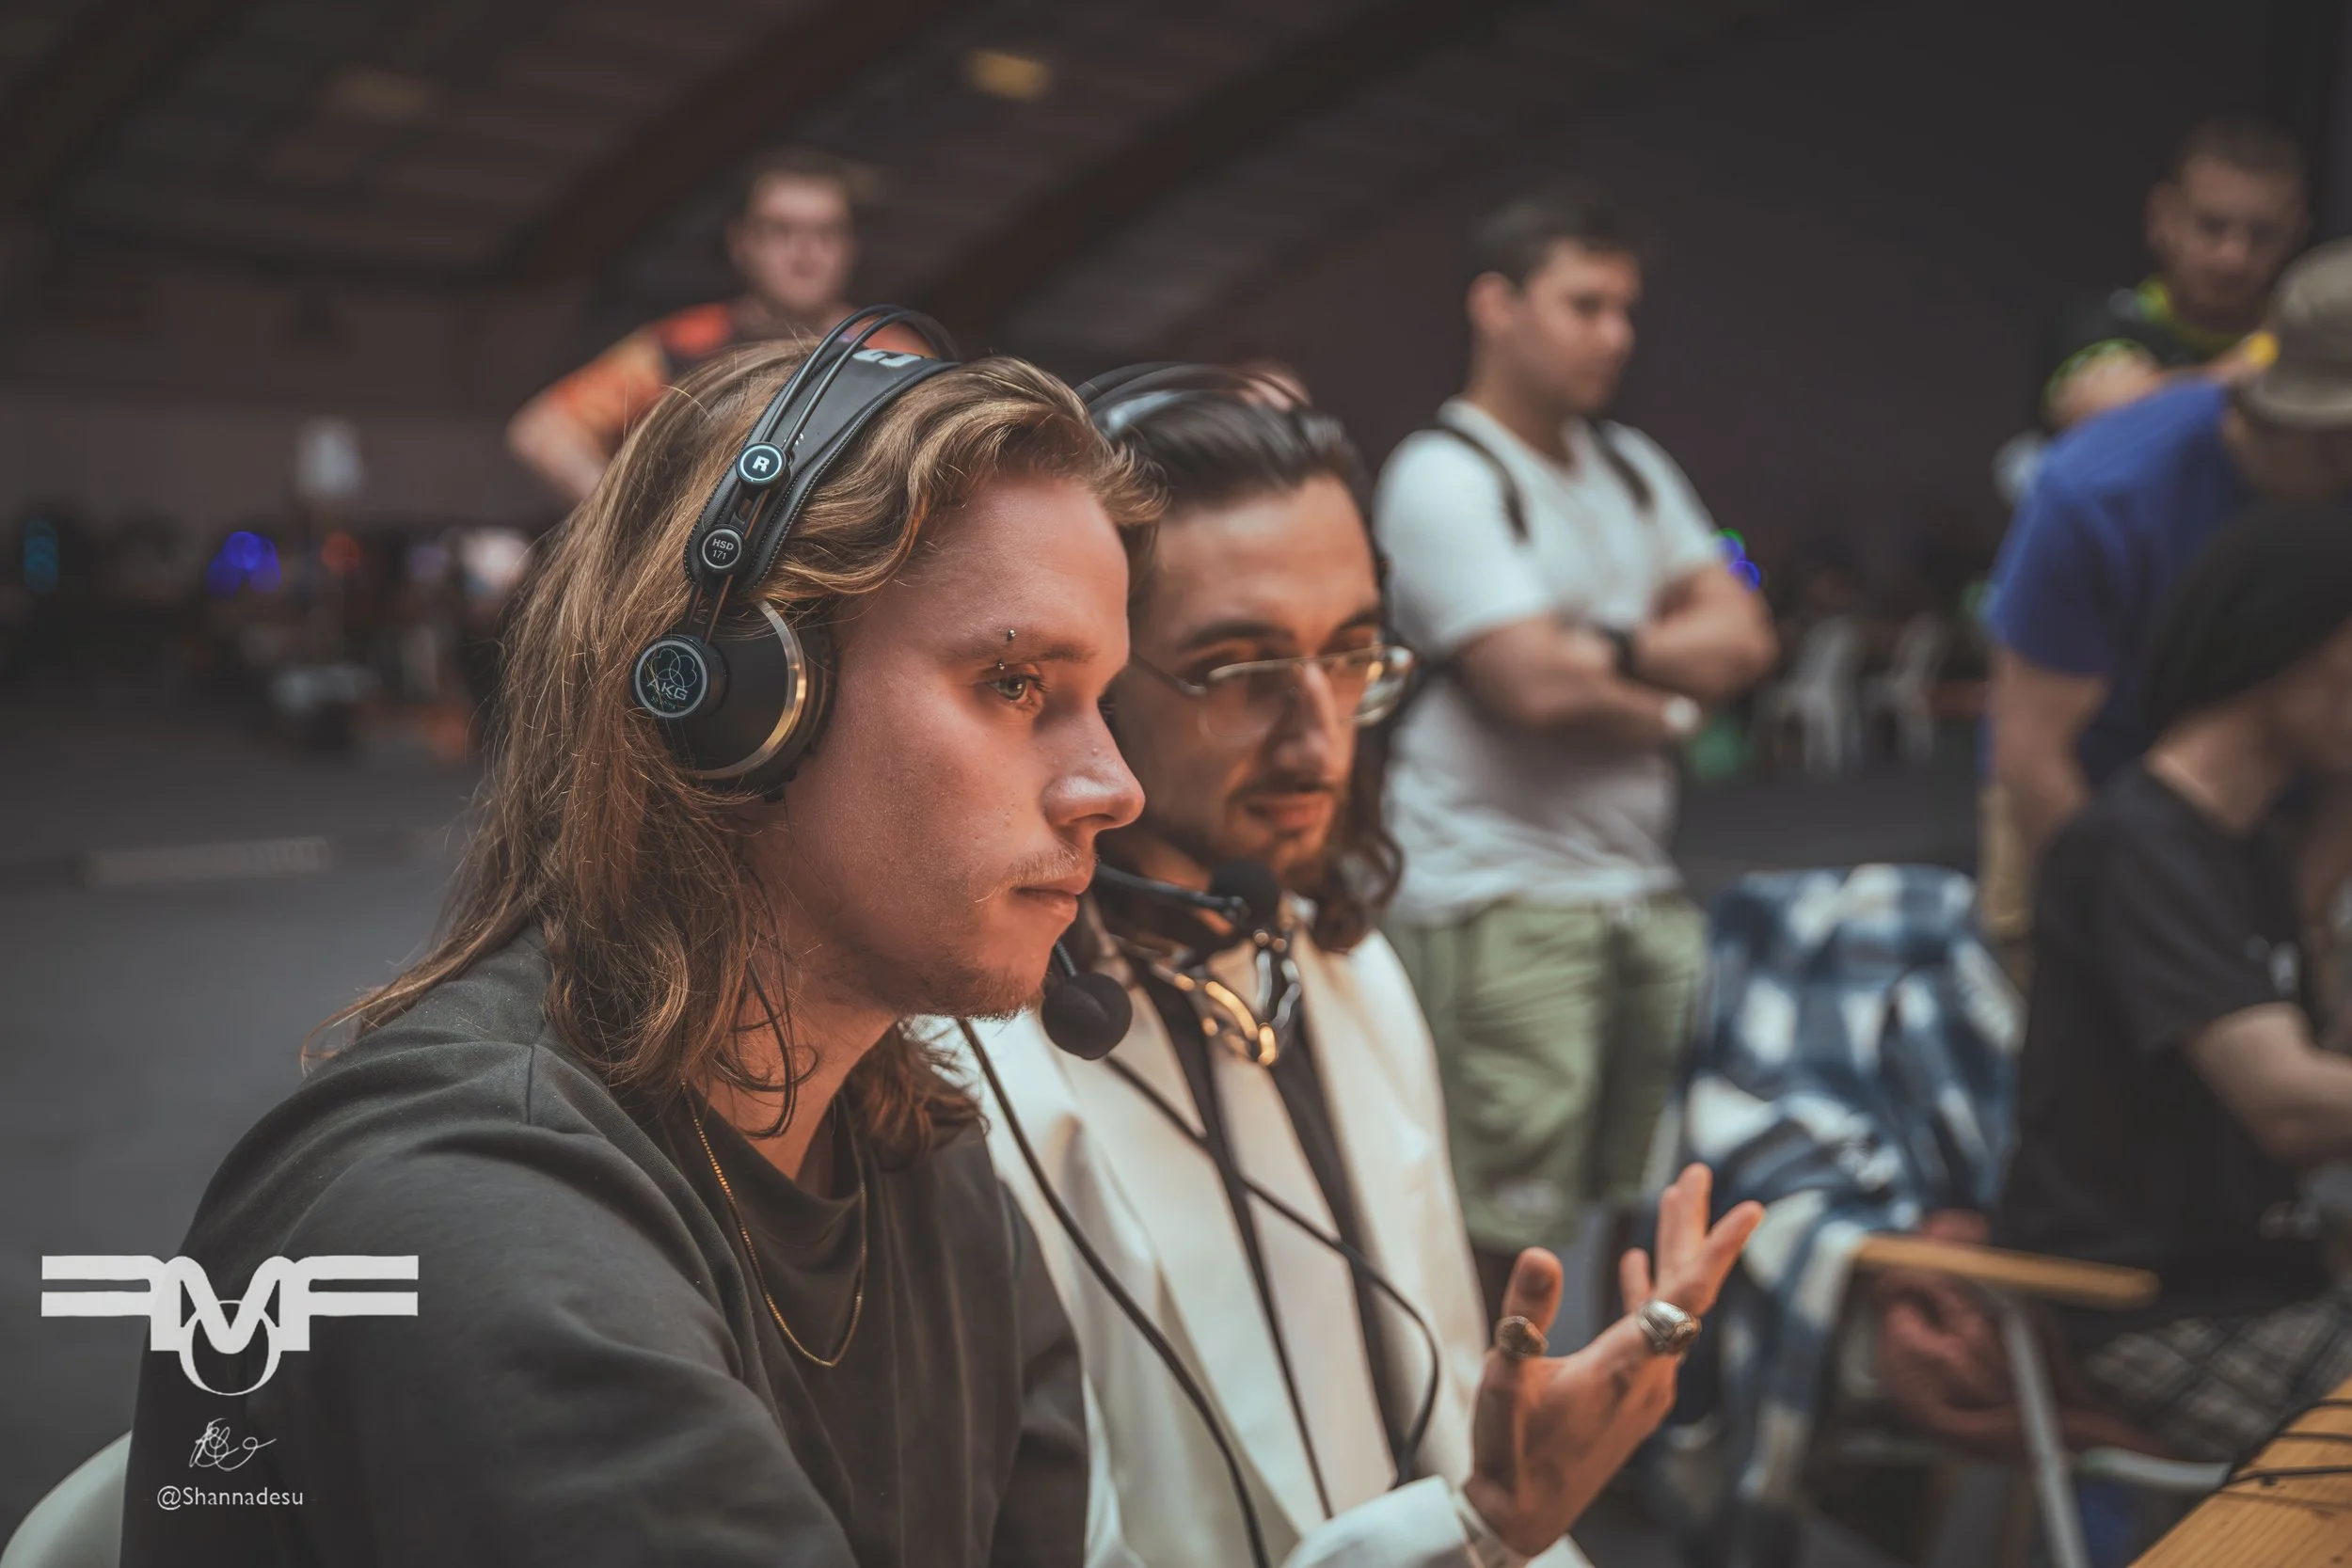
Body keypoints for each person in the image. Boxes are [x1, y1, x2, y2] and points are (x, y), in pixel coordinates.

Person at [121, 336, 1158, 1566]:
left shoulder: (920, 1158)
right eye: (1015, 680)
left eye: (1102, 699)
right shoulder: (476, 1215)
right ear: (741, 702)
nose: (1114, 786)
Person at [955, 376, 1762, 1568]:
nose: (1320, 735)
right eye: (1237, 668)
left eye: (1349, 656)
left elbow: (1448, 1425)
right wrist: (1481, 1524)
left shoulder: (1343, 967)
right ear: (1091, 681)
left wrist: (1510, 1505)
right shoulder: (976, 1068)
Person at [1374, 181, 1777, 1314]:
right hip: (1496, 892)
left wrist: (1605, 648)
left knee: (1630, 1202)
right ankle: (1482, 1419)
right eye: (1583, 304)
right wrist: (1671, 701)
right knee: (1500, 1223)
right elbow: (1534, 684)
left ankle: (1592, 1405)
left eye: (1624, 309)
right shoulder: (1444, 473)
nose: (1614, 335)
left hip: (1633, 890)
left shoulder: (1630, 464)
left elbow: (1745, 634)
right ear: (1496, 305)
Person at [1994, 498, 2352, 1460]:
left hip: (2269, 1284)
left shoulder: (2250, 849)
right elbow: (2287, 1103)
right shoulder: (2139, 848)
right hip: (2157, 1312)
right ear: (2285, 640)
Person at [1980, 238, 2352, 979]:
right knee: (2097, 1018)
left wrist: (2299, 925)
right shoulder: (2101, 491)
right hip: (2083, 794)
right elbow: (2034, 751)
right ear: (2332, 436)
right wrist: (2152, 954)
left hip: (2284, 804)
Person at [507, 150, 924, 503]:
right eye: (781, 231)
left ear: (850, 246)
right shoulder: (683, 344)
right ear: (741, 243)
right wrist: (633, 527)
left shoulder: (898, 356)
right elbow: (543, 431)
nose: (805, 252)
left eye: (826, 233)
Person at [2038, 117, 2307, 435]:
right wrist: (2246, 370)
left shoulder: (2303, 337)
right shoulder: (2103, 321)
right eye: (2211, 226)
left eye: (2262, 234)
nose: (2233, 257)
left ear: (2296, 234)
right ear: (2162, 216)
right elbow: (2099, 412)